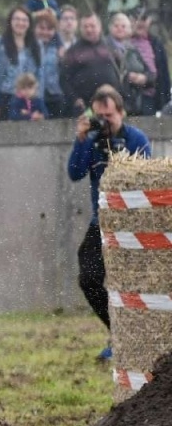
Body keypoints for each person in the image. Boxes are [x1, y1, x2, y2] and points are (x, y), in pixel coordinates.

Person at [67, 85, 151, 358]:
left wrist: (117, 152)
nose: (104, 122)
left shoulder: (135, 138)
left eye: (109, 116)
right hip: (100, 222)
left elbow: (145, 176)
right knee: (89, 278)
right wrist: (81, 139)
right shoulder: (91, 141)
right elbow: (75, 173)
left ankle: (133, 340)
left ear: (121, 113)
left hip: (130, 224)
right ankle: (119, 333)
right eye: (99, 116)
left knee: (130, 286)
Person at [60, 14, 122, 116]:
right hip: (84, 106)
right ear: (80, 28)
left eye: (92, 26)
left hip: (110, 103)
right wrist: (74, 99)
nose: (89, 30)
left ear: (100, 27)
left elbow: (121, 72)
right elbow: (63, 79)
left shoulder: (111, 48)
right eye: (85, 26)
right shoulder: (73, 51)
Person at [0, 7, 41, 120]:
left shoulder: (35, 45)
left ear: (29, 23)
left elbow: (40, 74)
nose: (20, 23)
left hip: (28, 99)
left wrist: (39, 100)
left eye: (24, 20)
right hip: (4, 97)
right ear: (10, 22)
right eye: (17, 19)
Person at [106, 12, 153, 115]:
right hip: (114, 103)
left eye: (123, 26)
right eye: (116, 26)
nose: (120, 29)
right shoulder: (104, 49)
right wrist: (127, 77)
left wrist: (143, 78)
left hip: (136, 103)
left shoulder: (133, 49)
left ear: (129, 29)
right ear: (110, 28)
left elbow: (150, 74)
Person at [130, 13, 169, 112]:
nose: (140, 22)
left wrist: (166, 100)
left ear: (149, 21)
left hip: (151, 97)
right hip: (130, 97)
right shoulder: (123, 42)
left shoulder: (156, 43)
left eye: (143, 19)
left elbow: (164, 74)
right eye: (136, 18)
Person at [32, 9, 65, 118]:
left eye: (49, 29)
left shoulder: (58, 48)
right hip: (34, 96)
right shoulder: (29, 47)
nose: (45, 32)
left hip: (55, 95)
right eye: (41, 28)